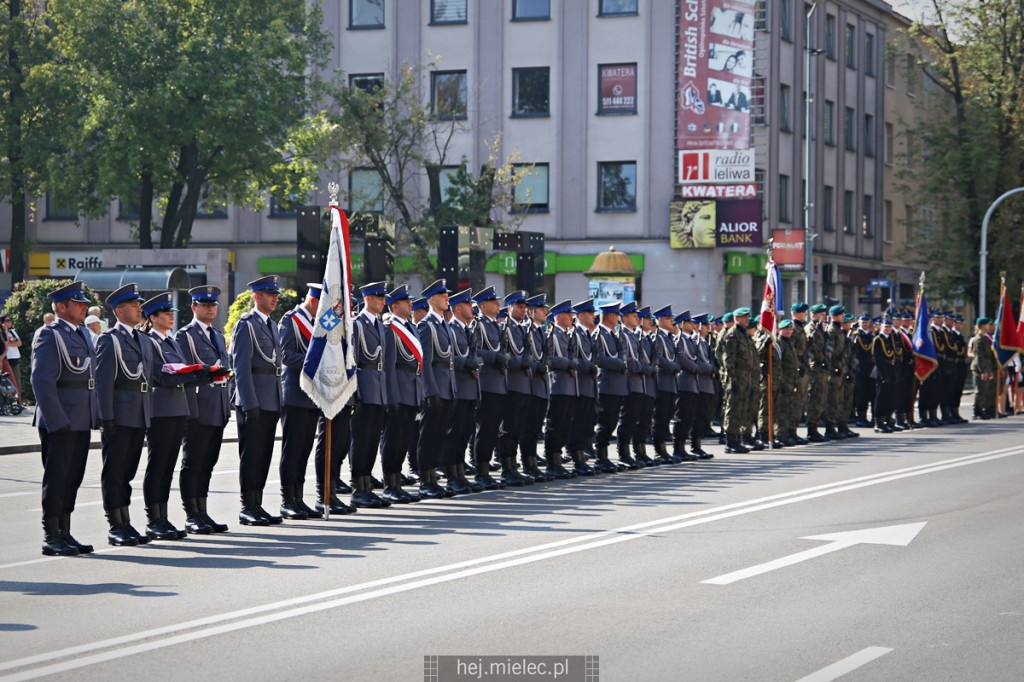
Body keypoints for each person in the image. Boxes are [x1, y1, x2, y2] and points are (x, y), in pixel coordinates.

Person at [31, 282, 98, 556]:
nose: (83, 307)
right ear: (61, 307)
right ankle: (51, 534)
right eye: (78, 303)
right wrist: (57, 420)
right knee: (57, 477)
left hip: (81, 416)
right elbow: (41, 380)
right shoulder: (49, 335)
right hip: (60, 418)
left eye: (84, 303)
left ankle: (65, 531)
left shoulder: (82, 334)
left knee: (73, 476)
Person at [95, 283, 165, 545]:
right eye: (134, 306)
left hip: (139, 412)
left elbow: (156, 375)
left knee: (128, 470)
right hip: (120, 413)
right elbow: (103, 382)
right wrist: (106, 417)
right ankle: (116, 524)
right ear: (119, 311)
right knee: (115, 470)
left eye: (139, 306)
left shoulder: (143, 340)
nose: (140, 310)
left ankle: (126, 520)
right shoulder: (109, 339)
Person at [141, 292, 210, 540]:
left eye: (172, 314)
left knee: (168, 466)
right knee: (158, 465)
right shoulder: (149, 342)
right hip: (160, 410)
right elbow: (160, 376)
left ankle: (164, 517)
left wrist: (205, 374)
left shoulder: (170, 341)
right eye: (166, 313)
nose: (171, 317)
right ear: (153, 317)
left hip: (177, 408)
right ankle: (154, 519)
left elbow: (181, 372)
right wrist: (193, 375)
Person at [176, 285, 233, 533]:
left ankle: (203, 511)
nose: (210, 308)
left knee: (208, 462)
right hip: (198, 407)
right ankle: (191, 514)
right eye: (204, 305)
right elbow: (187, 372)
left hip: (217, 406)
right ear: (194, 308)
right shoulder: (185, 335)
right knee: (193, 462)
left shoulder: (217, 335)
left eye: (213, 305)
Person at [231, 275, 285, 525]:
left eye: (275, 294)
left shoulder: (271, 325)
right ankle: (247, 506)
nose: (275, 298)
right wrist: (249, 403)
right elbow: (241, 367)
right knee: (251, 454)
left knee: (264, 455)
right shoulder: (247, 324)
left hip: (271, 398)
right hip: (254, 400)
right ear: (257, 297)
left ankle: (258, 503)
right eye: (269, 294)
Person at [277, 284, 330, 519]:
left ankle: (298, 498)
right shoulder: (291, 320)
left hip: (312, 394)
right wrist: (315, 361)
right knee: (292, 449)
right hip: (295, 393)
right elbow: (285, 354)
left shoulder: (317, 323)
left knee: (304, 450)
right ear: (313, 302)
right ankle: (287, 499)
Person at [380, 284, 424, 504]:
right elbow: (388, 367)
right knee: (393, 439)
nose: (411, 304)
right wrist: (392, 397)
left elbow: (417, 364)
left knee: (404, 439)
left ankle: (398, 482)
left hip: (412, 390)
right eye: (406, 302)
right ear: (394, 306)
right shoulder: (389, 329)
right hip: (398, 391)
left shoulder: (411, 328)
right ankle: (390, 484)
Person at [416, 279, 460, 498]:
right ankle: (426, 479)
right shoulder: (426, 325)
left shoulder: (443, 324)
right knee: (429, 435)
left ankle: (433, 476)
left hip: (447, 388)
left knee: (439, 435)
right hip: (435, 389)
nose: (447, 299)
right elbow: (425, 362)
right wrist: (430, 391)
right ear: (432, 300)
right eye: (443, 296)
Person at [349, 281, 391, 508]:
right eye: (378, 297)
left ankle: (366, 484)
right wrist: (356, 392)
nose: (382, 301)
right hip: (364, 387)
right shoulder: (357, 324)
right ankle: (357, 487)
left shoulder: (379, 325)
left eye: (383, 297)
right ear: (366, 299)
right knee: (361, 439)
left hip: (379, 386)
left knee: (373, 439)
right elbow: (353, 359)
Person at [442, 288, 481, 485]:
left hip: (471, 388)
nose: (472, 309)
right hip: (458, 387)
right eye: (468, 305)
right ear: (458, 309)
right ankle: (451, 475)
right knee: (454, 433)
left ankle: (459, 471)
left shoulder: (467, 329)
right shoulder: (451, 329)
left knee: (465, 432)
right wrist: (465, 363)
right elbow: (447, 355)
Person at [471, 286, 508, 490]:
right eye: (494, 302)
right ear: (483, 306)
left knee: (493, 428)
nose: (498, 305)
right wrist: (495, 357)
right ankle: (481, 471)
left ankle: (486, 467)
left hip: (499, 383)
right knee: (485, 428)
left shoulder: (496, 326)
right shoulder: (479, 324)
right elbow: (475, 350)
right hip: (486, 383)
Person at [542, 299, 578, 479]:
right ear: (559, 316)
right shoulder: (552, 334)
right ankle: (552, 461)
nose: (572, 317)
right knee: (555, 425)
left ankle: (558, 457)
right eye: (569, 314)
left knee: (565, 424)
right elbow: (549, 358)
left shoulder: (568, 335)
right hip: (558, 385)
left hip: (569, 386)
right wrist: (567, 363)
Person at [522, 294, 554, 480]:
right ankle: (528, 463)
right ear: (532, 311)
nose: (545, 312)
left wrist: (544, 365)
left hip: (541, 384)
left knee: (535, 428)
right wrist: (537, 366)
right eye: (542, 309)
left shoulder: (542, 331)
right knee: (528, 427)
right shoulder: (527, 331)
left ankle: (533, 461)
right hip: (531, 384)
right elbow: (525, 355)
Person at [651, 306, 680, 463]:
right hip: (662, 382)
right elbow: (659, 358)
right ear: (661, 320)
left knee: (667, 416)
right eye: (669, 319)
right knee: (660, 418)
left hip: (670, 382)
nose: (672, 321)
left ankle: (664, 449)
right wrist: (673, 366)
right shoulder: (657, 337)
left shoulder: (668, 337)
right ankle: (659, 450)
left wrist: (676, 365)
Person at [2, 314, 23, 405]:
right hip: (5, 358)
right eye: (7, 320)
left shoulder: (13, 332)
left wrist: (8, 344)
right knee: (6, 381)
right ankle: (7, 402)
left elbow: (19, 343)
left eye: (10, 320)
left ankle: (19, 402)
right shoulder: (2, 333)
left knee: (17, 381)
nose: (9, 322)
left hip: (14, 358)